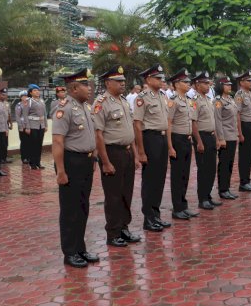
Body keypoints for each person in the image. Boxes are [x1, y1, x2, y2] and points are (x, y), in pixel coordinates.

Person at [51, 69, 99, 268]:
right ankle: (70, 252)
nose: (89, 88)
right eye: (85, 85)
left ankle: (80, 247)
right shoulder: (64, 109)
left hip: (86, 162)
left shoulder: (85, 107)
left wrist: (94, 158)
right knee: (70, 209)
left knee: (82, 207)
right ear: (73, 88)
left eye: (88, 84)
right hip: (71, 162)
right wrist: (61, 171)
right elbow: (57, 141)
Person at [93, 65, 142, 247]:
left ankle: (124, 228)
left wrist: (136, 156)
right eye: (118, 81)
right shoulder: (101, 103)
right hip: (112, 153)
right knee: (113, 195)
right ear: (108, 83)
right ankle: (113, 233)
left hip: (127, 152)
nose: (123, 84)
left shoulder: (122, 100)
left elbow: (130, 131)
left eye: (123, 81)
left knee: (126, 193)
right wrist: (105, 161)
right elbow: (98, 135)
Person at [133, 64, 172, 232]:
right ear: (148, 80)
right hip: (150, 138)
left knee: (160, 179)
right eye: (157, 78)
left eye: (161, 78)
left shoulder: (162, 96)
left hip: (162, 139)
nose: (161, 81)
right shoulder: (142, 98)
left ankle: (156, 215)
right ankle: (148, 218)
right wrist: (141, 151)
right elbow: (137, 124)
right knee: (150, 180)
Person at [167, 69, 199, 220]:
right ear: (176, 84)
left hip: (187, 140)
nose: (188, 84)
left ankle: (183, 205)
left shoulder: (188, 100)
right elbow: (169, 123)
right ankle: (177, 208)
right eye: (185, 82)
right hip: (177, 139)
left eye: (188, 82)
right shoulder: (173, 101)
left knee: (185, 174)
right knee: (177, 175)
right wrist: (170, 146)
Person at [191, 72, 221, 210]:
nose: (208, 85)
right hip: (202, 137)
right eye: (205, 83)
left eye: (208, 83)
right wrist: (199, 142)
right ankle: (202, 199)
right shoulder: (195, 100)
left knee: (211, 168)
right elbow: (194, 123)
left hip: (211, 136)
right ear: (197, 85)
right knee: (203, 169)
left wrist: (216, 138)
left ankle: (208, 195)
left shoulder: (208, 99)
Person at [214, 77, 239, 200]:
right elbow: (218, 121)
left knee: (229, 163)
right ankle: (222, 189)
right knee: (224, 164)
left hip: (232, 136)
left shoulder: (230, 99)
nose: (230, 86)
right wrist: (221, 138)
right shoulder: (218, 101)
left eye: (230, 84)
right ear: (220, 86)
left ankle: (227, 188)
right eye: (226, 85)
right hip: (225, 137)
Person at [235, 71, 251, 192]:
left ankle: (247, 179)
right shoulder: (239, 95)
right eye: (248, 81)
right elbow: (237, 115)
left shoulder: (249, 94)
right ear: (241, 82)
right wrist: (239, 133)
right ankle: (243, 182)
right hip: (244, 126)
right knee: (244, 155)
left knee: (250, 154)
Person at [23, 84, 48, 170]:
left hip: (41, 125)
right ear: (30, 93)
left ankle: (38, 162)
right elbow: (25, 115)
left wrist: (46, 125)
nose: (37, 92)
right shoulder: (28, 101)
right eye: (35, 90)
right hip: (32, 125)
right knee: (33, 145)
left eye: (38, 90)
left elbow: (45, 114)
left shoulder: (41, 101)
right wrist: (27, 127)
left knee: (39, 145)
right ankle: (32, 163)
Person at [15, 90, 29, 164]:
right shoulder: (19, 105)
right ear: (20, 97)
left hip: (29, 126)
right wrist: (20, 127)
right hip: (23, 126)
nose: (26, 97)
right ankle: (24, 158)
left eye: (27, 96)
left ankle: (29, 156)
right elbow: (17, 117)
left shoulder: (29, 104)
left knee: (29, 142)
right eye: (24, 96)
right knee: (24, 142)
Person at [0, 88, 13, 164]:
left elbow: (9, 114)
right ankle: (0, 158)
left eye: (5, 95)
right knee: (0, 142)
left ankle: (4, 157)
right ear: (0, 95)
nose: (4, 96)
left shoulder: (7, 103)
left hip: (6, 124)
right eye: (3, 95)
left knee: (5, 142)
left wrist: (11, 123)